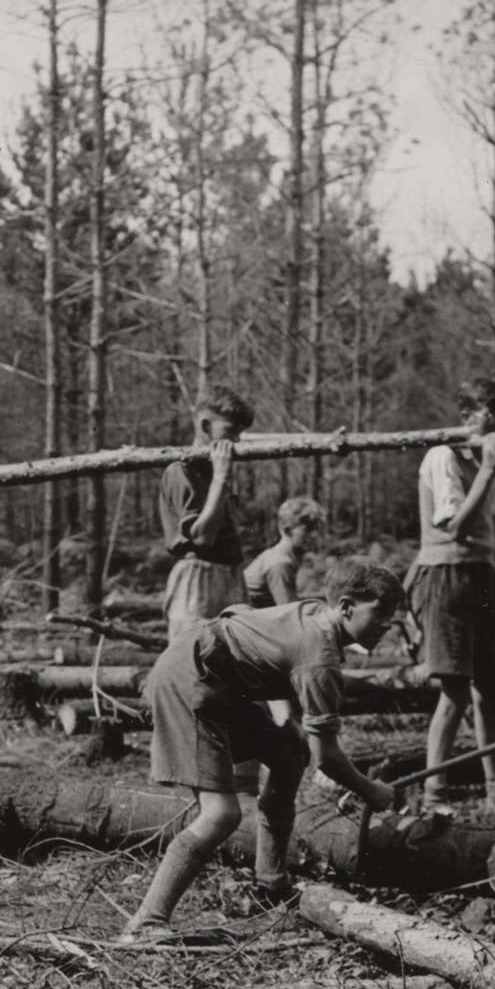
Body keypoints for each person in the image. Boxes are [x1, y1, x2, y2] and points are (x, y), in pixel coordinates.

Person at [121, 559, 402, 942]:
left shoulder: (315, 616)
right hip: (191, 680)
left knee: (289, 750)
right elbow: (329, 758)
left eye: (392, 614)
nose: (388, 623)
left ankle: (270, 882)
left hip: (214, 674)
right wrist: (371, 790)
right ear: (348, 606)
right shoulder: (319, 657)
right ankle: (146, 923)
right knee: (222, 814)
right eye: (381, 612)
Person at [408, 377, 495, 815]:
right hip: (446, 576)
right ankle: (435, 795)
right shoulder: (442, 456)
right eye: (490, 415)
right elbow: (456, 527)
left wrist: (488, 468)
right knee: (455, 691)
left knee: (490, 691)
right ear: (467, 416)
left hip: (480, 575)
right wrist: (487, 470)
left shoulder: (481, 459)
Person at [160, 384, 254, 641]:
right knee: (193, 658)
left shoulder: (212, 470)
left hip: (230, 575)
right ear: (204, 426)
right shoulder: (181, 471)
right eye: (230, 432)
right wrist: (221, 478)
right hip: (198, 579)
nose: (235, 441)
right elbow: (202, 538)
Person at [244, 496, 325, 609]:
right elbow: (289, 613)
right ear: (288, 530)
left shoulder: (279, 555)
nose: (314, 535)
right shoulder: (281, 563)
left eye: (316, 528)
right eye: (308, 529)